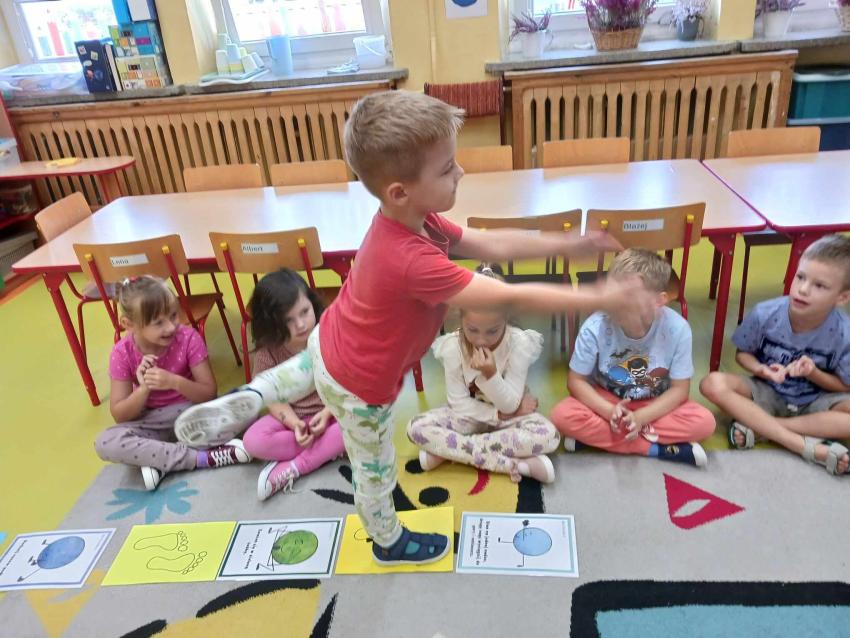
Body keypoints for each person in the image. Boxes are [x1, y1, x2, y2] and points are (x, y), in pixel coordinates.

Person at [175, 90, 652, 566]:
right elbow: (507, 297)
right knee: (375, 471)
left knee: (305, 368)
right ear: (399, 191)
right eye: (446, 168)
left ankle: (255, 394)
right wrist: (600, 296)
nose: (460, 172)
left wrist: (566, 245)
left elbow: (491, 244)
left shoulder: (416, 222)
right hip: (361, 386)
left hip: (330, 341)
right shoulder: (412, 259)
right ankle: (388, 542)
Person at [700, 234, 850, 476]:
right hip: (766, 392)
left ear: (843, 297)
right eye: (800, 277)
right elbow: (742, 355)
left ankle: (762, 428)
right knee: (712, 383)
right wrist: (761, 370)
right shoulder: (765, 313)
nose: (803, 289)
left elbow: (844, 386)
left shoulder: (845, 332)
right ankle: (801, 444)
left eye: (820, 286)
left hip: (815, 401)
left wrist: (813, 374)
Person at [551, 249, 715, 466]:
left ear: (659, 300)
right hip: (608, 400)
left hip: (656, 404)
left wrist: (641, 418)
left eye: (628, 295)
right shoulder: (595, 327)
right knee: (562, 415)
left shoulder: (677, 329)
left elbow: (679, 390)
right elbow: (575, 381)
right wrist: (609, 411)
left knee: (704, 422)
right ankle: (656, 448)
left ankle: (600, 440)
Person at [95, 276, 251, 491]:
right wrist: (144, 388)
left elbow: (209, 393)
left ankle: (159, 460)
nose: (171, 326)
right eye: (158, 323)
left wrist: (175, 382)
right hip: (152, 423)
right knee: (105, 442)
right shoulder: (122, 353)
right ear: (129, 325)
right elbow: (120, 415)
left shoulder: (188, 338)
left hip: (192, 414)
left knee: (246, 406)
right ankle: (201, 458)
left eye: (173, 315)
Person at [407, 263, 560, 482]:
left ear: (506, 319)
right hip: (470, 417)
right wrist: (498, 415)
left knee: (549, 435)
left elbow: (510, 404)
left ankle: (450, 452)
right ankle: (513, 465)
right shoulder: (452, 347)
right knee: (416, 427)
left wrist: (491, 375)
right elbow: (458, 403)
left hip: (508, 419)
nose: (481, 340)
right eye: (472, 330)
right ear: (461, 319)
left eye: (492, 331)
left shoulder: (519, 343)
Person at [240, 269, 345, 500]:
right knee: (252, 440)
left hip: (335, 412)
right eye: (288, 320)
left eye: (305, 312)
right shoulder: (269, 351)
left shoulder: (329, 333)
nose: (300, 324)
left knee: (360, 422)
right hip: (294, 418)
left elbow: (349, 384)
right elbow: (271, 398)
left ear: (312, 303)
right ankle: (325, 449)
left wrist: (327, 413)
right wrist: (295, 424)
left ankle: (298, 466)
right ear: (271, 324)